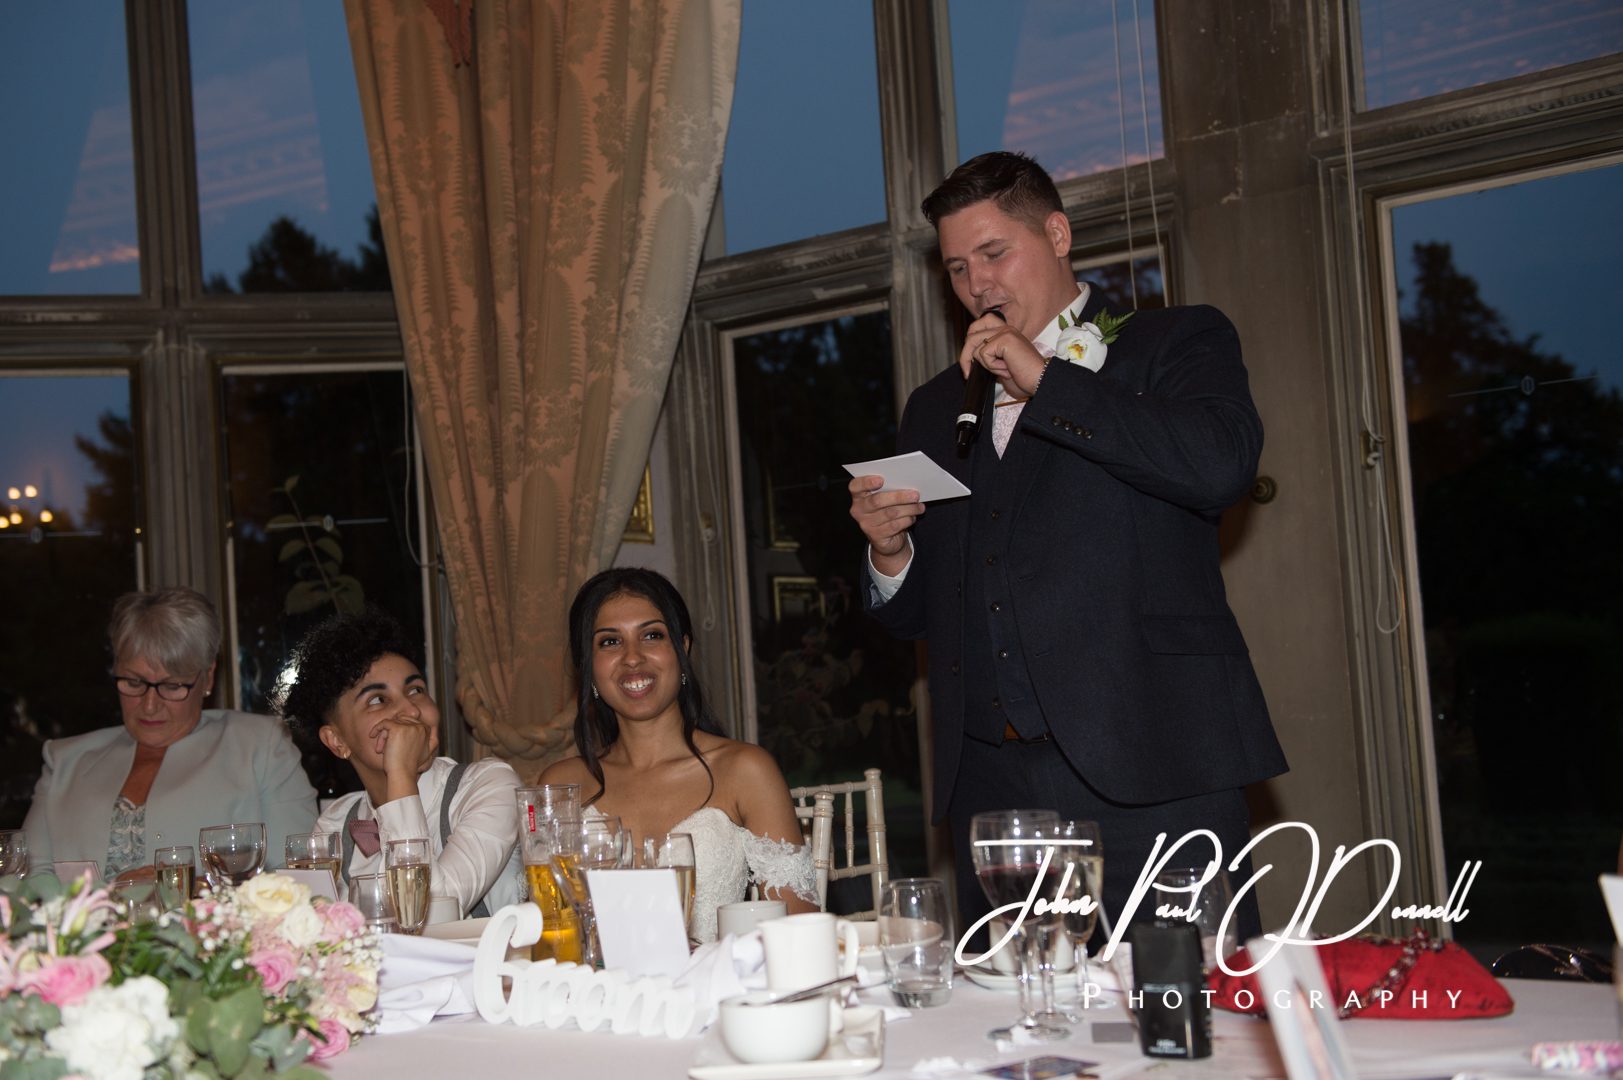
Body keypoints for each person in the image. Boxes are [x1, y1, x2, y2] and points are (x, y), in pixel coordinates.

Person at [849, 151, 1288, 941]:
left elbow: (1219, 464)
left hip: (1155, 766)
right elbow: (924, 615)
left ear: (1056, 234)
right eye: (956, 268)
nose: (977, 285)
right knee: (1014, 1008)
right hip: (993, 791)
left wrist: (1049, 381)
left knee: (1185, 1003)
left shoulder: (1173, 341)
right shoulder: (935, 406)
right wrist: (889, 555)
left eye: (993, 253)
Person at [539, 568, 818, 942]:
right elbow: (546, 928)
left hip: (718, 978)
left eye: (652, 635)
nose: (632, 658)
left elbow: (800, 931)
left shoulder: (744, 771)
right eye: (610, 642)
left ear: (682, 648)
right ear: (587, 665)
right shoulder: (560, 786)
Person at [23, 586, 317, 881]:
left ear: (208, 678)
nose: (150, 705)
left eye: (172, 686)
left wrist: (193, 891)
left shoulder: (259, 747)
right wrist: (103, 897)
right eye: (134, 683)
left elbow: (301, 875)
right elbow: (24, 885)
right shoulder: (65, 762)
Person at [279, 608, 523, 918]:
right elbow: (324, 934)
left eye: (416, 690)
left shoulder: (489, 784)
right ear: (336, 741)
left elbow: (430, 914)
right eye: (378, 700)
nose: (411, 710)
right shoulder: (335, 824)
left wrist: (400, 774)